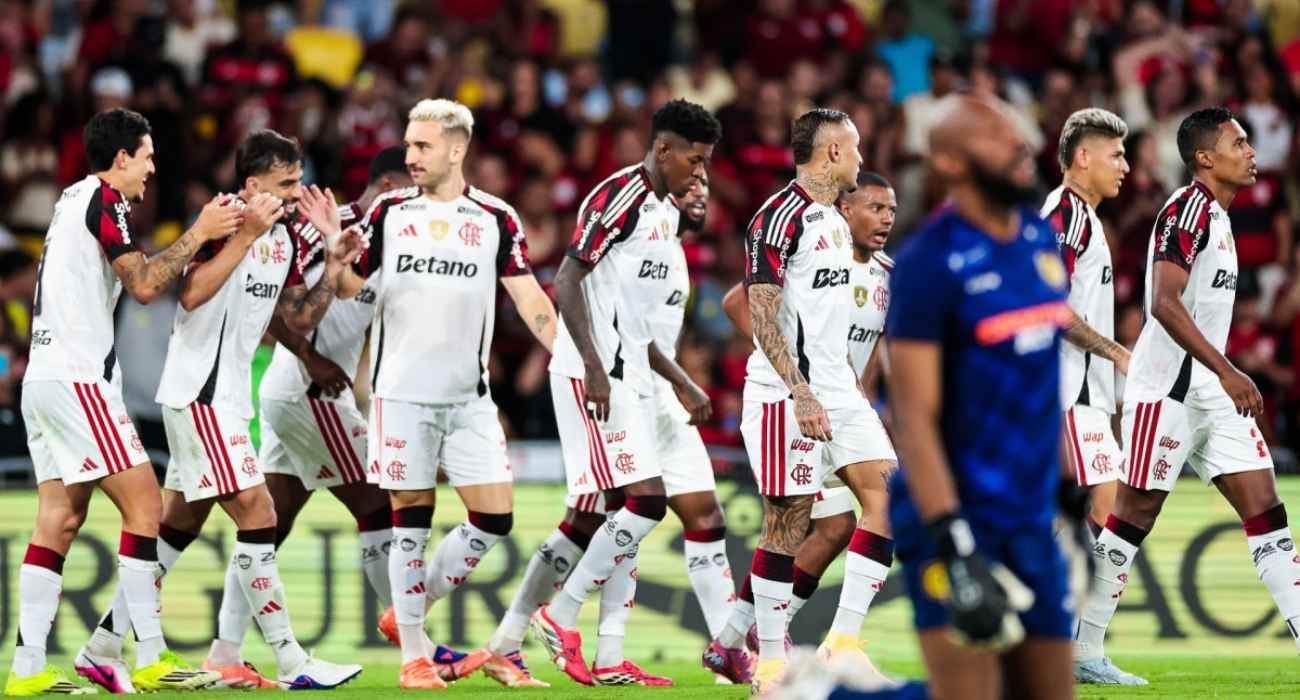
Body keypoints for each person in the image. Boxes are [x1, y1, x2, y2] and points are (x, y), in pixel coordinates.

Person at [79, 129, 365, 691]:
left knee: (176, 529)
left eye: (298, 180)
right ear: (253, 183)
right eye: (285, 183)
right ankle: (292, 661)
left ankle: (102, 645)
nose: (295, 193)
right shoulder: (225, 221)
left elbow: (297, 320)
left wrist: (332, 266)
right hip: (200, 395)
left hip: (227, 400)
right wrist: (247, 235)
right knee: (259, 514)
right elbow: (189, 295)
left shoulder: (282, 242)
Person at [8, 108, 238, 696]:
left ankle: (28, 668)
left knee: (60, 519)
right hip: (80, 379)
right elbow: (143, 286)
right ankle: (152, 657)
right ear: (121, 160)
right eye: (147, 155)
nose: (152, 168)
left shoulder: (69, 200)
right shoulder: (107, 199)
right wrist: (202, 232)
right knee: (146, 507)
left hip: (46, 378)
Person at [335, 98, 558, 690]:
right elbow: (348, 287)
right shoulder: (387, 212)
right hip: (402, 395)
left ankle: (405, 614)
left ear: (457, 150)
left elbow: (530, 298)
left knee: (494, 517)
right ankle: (413, 656)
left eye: (422, 145)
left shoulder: (496, 218)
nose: (410, 155)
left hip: (468, 399)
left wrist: (571, 358)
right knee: (412, 519)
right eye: (408, 144)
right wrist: (337, 265)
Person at [1076, 107, 1300, 686]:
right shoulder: (1187, 209)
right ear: (1206, 157)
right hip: (1168, 389)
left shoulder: (1223, 220)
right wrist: (1227, 370)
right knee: (1133, 515)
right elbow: (1164, 303)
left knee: (1267, 510)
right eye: (1239, 142)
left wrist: (1221, 378)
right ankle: (1082, 648)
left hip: (1212, 392)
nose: (1252, 151)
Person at [196, 146, 412, 688]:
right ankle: (416, 644)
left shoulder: (400, 244)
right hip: (307, 391)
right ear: (388, 186)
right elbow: (273, 303)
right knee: (376, 500)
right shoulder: (334, 228)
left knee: (268, 525)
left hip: (295, 393)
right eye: (414, 190)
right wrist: (310, 355)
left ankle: (224, 653)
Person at [886, 94, 1075, 700]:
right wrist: (952, 539)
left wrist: (1068, 492)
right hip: (956, 519)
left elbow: (1039, 381)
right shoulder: (928, 263)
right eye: (997, 139)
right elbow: (913, 417)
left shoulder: (1038, 238)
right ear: (950, 163)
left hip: (1028, 515)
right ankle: (825, 693)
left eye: (1017, 131)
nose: (1021, 145)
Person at [530, 99, 720, 687]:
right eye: (694, 160)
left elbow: (638, 326)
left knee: (625, 514)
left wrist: (680, 381)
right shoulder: (619, 198)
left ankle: (609, 655)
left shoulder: (662, 212)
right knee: (645, 502)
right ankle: (557, 615)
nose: (699, 173)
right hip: (597, 378)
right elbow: (565, 279)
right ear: (663, 149)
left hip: (631, 376)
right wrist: (591, 366)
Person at [709, 108, 899, 695]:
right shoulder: (777, 217)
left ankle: (843, 642)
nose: (862, 159)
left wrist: (841, 384)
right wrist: (800, 389)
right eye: (857, 148)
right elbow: (760, 311)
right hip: (782, 394)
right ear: (834, 152)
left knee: (887, 495)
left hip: (838, 390)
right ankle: (767, 665)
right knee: (787, 523)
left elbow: (826, 323)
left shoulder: (835, 224)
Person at [1040, 108, 1133, 534]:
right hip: (1066, 394)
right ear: (1082, 158)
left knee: (1080, 531)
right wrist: (1117, 353)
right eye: (1115, 155)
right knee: (1106, 523)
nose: (1125, 166)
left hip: (1082, 396)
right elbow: (1048, 305)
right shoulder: (1067, 212)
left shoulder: (1085, 217)